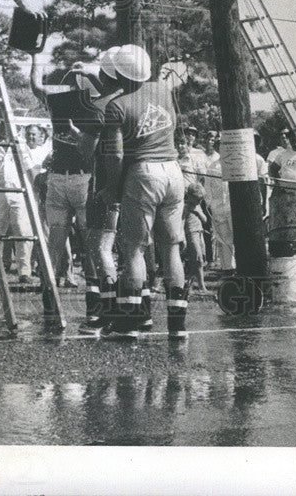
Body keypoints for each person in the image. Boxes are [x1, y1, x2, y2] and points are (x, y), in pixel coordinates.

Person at [97, 45, 188, 339]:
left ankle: (132, 321)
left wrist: (113, 191)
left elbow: (115, 156)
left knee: (134, 247)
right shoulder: (164, 90)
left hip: (143, 172)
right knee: (171, 248)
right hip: (174, 171)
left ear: (118, 74)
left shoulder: (117, 105)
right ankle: (177, 325)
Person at [30, 57, 105, 316]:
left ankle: (49, 300)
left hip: (58, 177)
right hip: (83, 179)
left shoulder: (56, 102)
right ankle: (94, 303)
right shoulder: (96, 106)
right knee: (90, 243)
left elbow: (35, 86)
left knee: (56, 241)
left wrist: (34, 57)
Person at [77, 47, 124, 334]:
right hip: (136, 185)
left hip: (106, 184)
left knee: (100, 248)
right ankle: (131, 312)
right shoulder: (132, 100)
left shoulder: (102, 107)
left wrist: (77, 134)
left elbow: (86, 151)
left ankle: (106, 314)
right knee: (132, 251)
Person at [0, 114, 36, 284]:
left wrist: (36, 190)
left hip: (19, 193)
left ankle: (24, 272)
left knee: (22, 231)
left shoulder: (20, 144)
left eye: (9, 123)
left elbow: (30, 169)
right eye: (3, 123)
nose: (6, 126)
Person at [203, 131, 235, 272]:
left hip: (233, 206)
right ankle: (227, 268)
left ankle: (239, 267)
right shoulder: (212, 167)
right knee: (223, 239)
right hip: (218, 207)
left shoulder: (235, 163)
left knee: (237, 237)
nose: (222, 148)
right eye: (219, 145)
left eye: (224, 145)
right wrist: (210, 204)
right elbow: (207, 187)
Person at [183, 180, 210, 294]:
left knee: (200, 259)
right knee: (196, 259)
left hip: (199, 233)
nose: (199, 201)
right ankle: (201, 286)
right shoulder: (185, 207)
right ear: (189, 196)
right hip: (190, 234)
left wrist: (198, 212)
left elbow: (205, 220)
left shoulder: (197, 206)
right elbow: (181, 222)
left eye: (201, 200)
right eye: (197, 199)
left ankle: (189, 285)